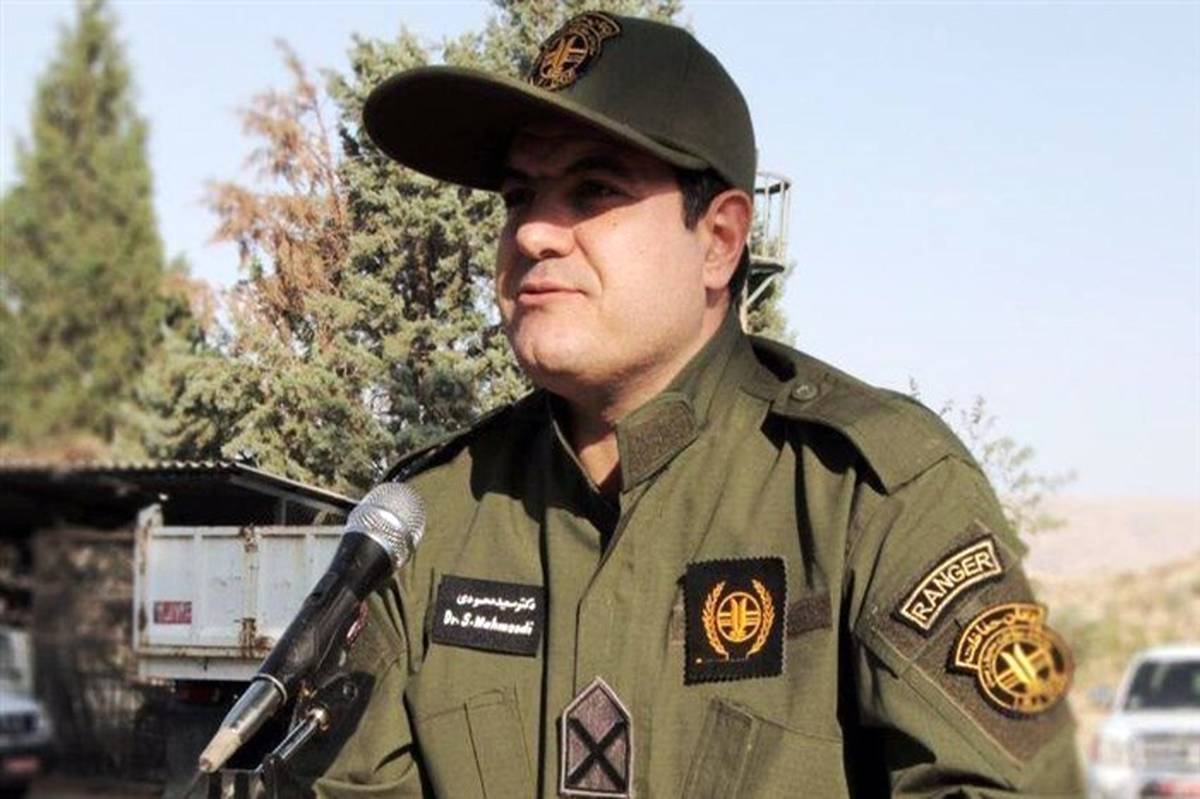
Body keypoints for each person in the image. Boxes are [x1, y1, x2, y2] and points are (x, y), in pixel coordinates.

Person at [303, 11, 1084, 798]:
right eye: (519, 195)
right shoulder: (432, 518)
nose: (534, 232)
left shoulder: (874, 494)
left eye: (594, 189)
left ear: (719, 239)